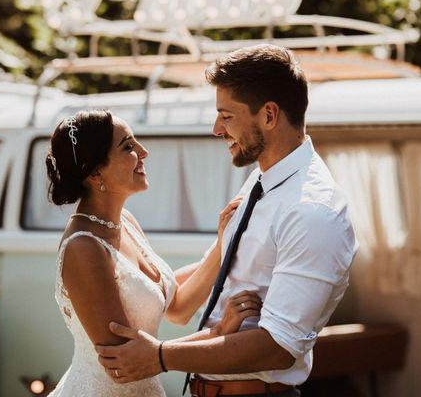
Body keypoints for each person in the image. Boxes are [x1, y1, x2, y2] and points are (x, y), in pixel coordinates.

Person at [96, 44, 359, 397]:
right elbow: (202, 293)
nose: (216, 128)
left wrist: (160, 356)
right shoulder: (260, 181)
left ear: (268, 115)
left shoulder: (313, 211)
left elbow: (277, 347)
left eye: (226, 115)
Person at [46, 109, 260, 397]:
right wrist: (219, 332)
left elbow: (178, 307)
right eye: (128, 147)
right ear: (96, 171)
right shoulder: (84, 249)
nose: (143, 152)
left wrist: (225, 244)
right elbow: (126, 362)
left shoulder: (127, 223)